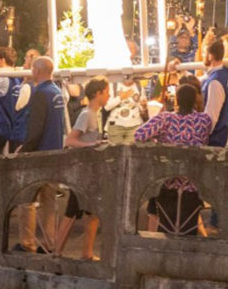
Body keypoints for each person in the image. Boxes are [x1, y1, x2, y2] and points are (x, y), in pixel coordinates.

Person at [134, 84, 212, 236]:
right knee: (189, 231)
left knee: (166, 228)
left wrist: (157, 141)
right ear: (195, 101)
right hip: (193, 184)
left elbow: (138, 135)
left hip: (168, 183)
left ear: (176, 99)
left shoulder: (165, 119)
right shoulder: (204, 120)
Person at [15, 56, 65, 254]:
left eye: (32, 68)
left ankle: (27, 242)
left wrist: (25, 149)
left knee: (27, 199)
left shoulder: (41, 94)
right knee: (49, 201)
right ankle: (49, 242)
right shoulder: (57, 92)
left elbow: (35, 127)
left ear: (37, 70)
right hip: (54, 151)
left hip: (39, 154)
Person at [56, 77, 109, 259]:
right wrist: (93, 144)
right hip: (83, 172)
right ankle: (57, 251)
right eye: (107, 92)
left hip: (91, 171)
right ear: (98, 93)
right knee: (72, 212)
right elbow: (70, 140)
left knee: (92, 212)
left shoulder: (97, 114)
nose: (109, 95)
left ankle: (86, 252)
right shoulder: (86, 114)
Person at [201, 40, 228, 147]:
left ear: (210, 56)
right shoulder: (221, 75)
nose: (202, 56)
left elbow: (211, 118)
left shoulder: (215, 81)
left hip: (214, 141)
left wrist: (201, 137)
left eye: (204, 53)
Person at [10, 49, 40, 152]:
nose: (24, 64)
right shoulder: (40, 87)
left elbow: (17, 108)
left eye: (26, 59)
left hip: (20, 134)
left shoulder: (27, 87)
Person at [103, 78, 147, 144]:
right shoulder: (113, 85)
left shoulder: (139, 86)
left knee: (131, 151)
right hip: (115, 125)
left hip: (135, 125)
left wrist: (144, 106)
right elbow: (106, 107)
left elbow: (142, 109)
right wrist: (121, 97)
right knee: (116, 151)